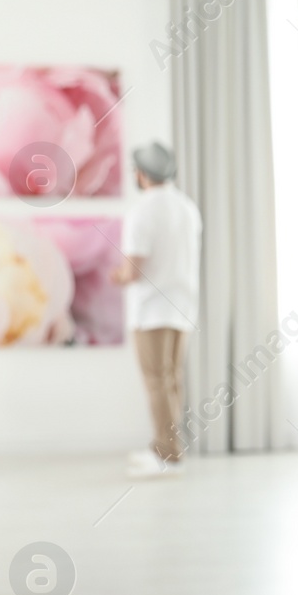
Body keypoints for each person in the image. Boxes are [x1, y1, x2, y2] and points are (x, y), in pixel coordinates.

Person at [113, 142, 201, 479]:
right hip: (183, 306)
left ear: (141, 173)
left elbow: (133, 270)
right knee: (172, 380)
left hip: (152, 310)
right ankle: (166, 445)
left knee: (156, 382)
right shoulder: (186, 207)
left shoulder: (143, 211)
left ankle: (167, 452)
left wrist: (117, 276)